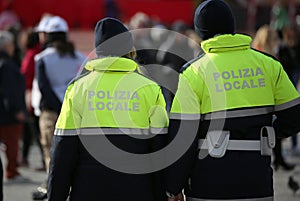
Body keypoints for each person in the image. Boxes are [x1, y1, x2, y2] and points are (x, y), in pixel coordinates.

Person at [165, 0, 300, 201]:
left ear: (201, 31)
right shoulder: (269, 65)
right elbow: (294, 117)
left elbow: (183, 138)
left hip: (209, 186)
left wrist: (173, 187)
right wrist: (267, 133)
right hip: (257, 182)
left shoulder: (193, 73)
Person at [47, 17, 168, 201]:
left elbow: (63, 151)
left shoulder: (77, 89)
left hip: (87, 191)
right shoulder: (149, 88)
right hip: (137, 191)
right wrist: (163, 194)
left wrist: (56, 197)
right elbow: (159, 150)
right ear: (129, 49)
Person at [32, 16, 86, 200]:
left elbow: (44, 87)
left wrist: (59, 107)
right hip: (77, 112)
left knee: (51, 153)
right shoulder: (80, 57)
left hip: (51, 112)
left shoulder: (42, 58)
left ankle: (52, 188)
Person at [252, 24, 295, 171]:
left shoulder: (273, 53)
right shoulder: (260, 55)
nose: (277, 41)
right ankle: (277, 159)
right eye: (274, 38)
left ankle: (278, 159)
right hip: (263, 99)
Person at [0, 30, 26, 181]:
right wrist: (17, 109)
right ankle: (12, 171)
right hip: (8, 113)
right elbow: (10, 90)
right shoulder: (8, 65)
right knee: (12, 144)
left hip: (3, 110)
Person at [20, 28, 45, 170]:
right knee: (34, 130)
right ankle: (27, 157)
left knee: (32, 130)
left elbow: (25, 76)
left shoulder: (31, 55)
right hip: (39, 96)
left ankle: (26, 158)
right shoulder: (40, 53)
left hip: (31, 96)